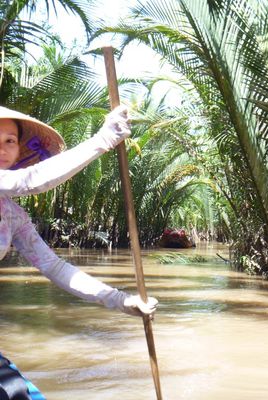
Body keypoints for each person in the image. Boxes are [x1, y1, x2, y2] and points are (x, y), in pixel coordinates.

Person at [0, 105, 158, 400]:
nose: (2, 149)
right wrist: (103, 139)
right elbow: (27, 181)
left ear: (19, 148)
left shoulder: (12, 215)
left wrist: (118, 300)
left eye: (10, 140)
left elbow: (54, 267)